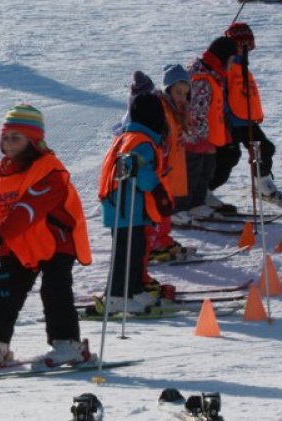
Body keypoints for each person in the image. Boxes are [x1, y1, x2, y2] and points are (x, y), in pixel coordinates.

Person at [0, 104, 93, 370]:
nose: (8, 143)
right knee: (3, 292)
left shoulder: (50, 170)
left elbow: (26, 211)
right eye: (5, 137)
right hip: (19, 245)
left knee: (55, 291)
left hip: (56, 242)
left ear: (34, 140)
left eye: (16, 137)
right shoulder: (4, 172)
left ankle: (68, 344)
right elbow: (7, 214)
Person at [99, 91, 169, 313]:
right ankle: (116, 296)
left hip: (126, 208)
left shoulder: (132, 137)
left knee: (136, 251)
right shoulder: (141, 142)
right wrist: (157, 190)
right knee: (126, 253)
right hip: (125, 209)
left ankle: (134, 290)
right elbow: (133, 166)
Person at [207, 22, 282, 208]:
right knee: (228, 156)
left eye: (247, 46)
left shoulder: (243, 65)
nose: (244, 49)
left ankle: (262, 183)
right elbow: (220, 94)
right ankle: (205, 191)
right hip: (229, 122)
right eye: (241, 45)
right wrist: (223, 118)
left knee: (265, 149)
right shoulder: (226, 66)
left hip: (245, 119)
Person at [172, 36, 237, 224]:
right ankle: (180, 208)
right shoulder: (201, 79)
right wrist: (198, 136)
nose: (233, 65)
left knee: (206, 170)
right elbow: (195, 111)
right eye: (231, 61)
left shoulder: (213, 76)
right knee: (191, 173)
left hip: (205, 137)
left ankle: (197, 204)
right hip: (193, 137)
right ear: (222, 58)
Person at [149, 64, 193, 261]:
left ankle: (163, 239)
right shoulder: (162, 109)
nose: (181, 97)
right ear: (168, 89)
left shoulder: (176, 110)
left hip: (171, 171)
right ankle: (156, 243)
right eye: (178, 92)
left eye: (185, 93)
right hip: (163, 171)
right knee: (161, 209)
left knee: (168, 207)